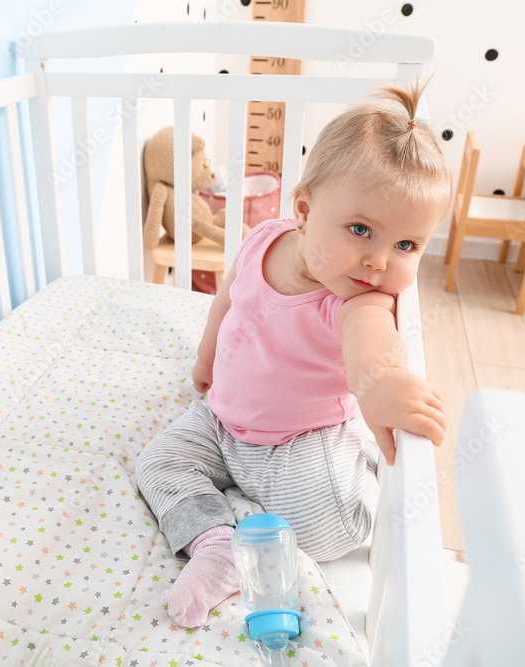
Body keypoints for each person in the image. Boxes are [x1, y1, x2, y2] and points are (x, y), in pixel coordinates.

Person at [134, 81, 453, 628]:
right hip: (221, 422)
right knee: (158, 464)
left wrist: (382, 385)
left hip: (298, 441)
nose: (379, 261)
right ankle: (216, 546)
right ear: (304, 209)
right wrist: (206, 362)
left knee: (333, 528)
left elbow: (369, 350)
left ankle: (351, 457)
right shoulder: (262, 240)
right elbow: (225, 304)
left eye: (406, 245)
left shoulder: (358, 299)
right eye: (361, 230)